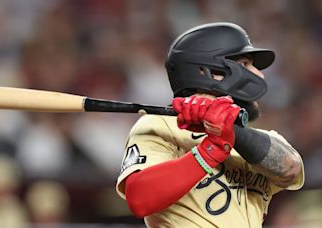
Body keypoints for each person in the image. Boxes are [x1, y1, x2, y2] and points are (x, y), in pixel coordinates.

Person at [115, 22, 304, 227]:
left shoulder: (258, 140)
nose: (259, 74)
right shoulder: (160, 126)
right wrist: (209, 152)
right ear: (213, 72)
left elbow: (290, 169)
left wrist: (228, 129)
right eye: (245, 64)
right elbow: (140, 200)